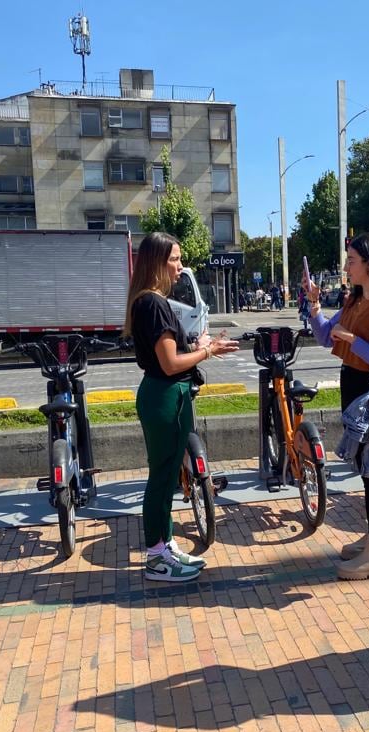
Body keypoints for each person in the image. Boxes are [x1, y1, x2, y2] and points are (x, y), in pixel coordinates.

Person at [124, 232, 239, 582]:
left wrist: (198, 342)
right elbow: (171, 363)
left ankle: (164, 544)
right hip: (165, 396)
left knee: (168, 474)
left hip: (167, 394)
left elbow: (172, 352)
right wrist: (208, 351)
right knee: (161, 477)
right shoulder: (153, 304)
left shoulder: (151, 302)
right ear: (157, 262)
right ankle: (156, 557)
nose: (180, 267)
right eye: (174, 259)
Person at [306, 232, 369, 580]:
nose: (346, 266)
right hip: (354, 388)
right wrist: (315, 307)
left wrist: (353, 339)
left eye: (351, 260)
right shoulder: (354, 300)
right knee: (366, 468)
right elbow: (324, 337)